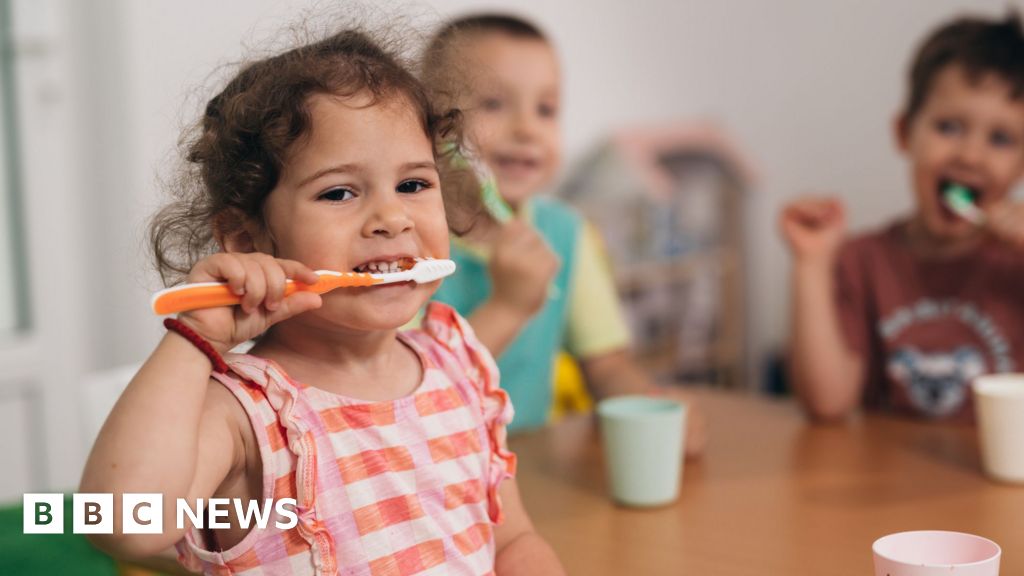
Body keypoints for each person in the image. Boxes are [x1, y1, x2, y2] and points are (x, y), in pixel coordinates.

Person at [80, 28, 564, 576]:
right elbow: (121, 524)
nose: (393, 218)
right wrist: (197, 339)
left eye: (413, 185)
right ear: (246, 240)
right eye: (339, 193)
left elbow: (513, 542)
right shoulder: (246, 411)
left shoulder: (461, 366)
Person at [419, 14, 706, 455]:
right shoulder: (407, 241)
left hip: (528, 467)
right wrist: (508, 305)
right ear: (433, 126)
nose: (527, 128)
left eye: (546, 109)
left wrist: (650, 406)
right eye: (494, 103)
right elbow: (408, 398)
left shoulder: (567, 234)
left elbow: (607, 366)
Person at [781, 13, 1024, 422]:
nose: (970, 155)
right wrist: (812, 262)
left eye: (1000, 139)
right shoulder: (862, 261)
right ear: (903, 133)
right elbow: (827, 403)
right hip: (890, 479)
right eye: (948, 127)